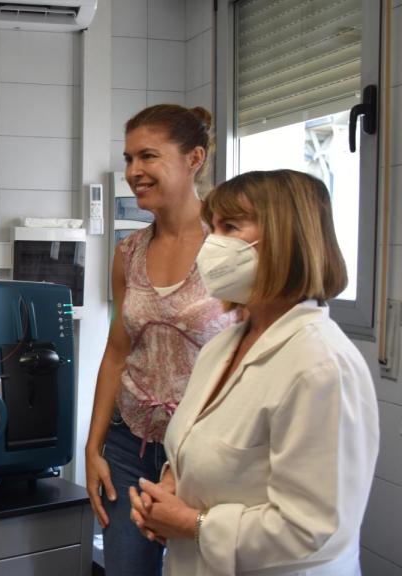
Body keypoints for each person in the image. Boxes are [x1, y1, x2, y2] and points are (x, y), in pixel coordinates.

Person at [129, 169, 380, 575]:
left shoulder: (320, 366)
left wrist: (191, 523)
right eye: (213, 228)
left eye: (230, 227)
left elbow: (312, 528)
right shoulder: (223, 347)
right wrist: (171, 489)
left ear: (286, 239)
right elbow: (203, 448)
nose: (212, 244)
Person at [85, 104, 238, 576]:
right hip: (130, 445)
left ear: (194, 158)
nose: (134, 171)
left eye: (148, 156)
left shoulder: (231, 247)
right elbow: (117, 352)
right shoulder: (128, 253)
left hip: (207, 447)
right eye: (129, 158)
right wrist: (93, 448)